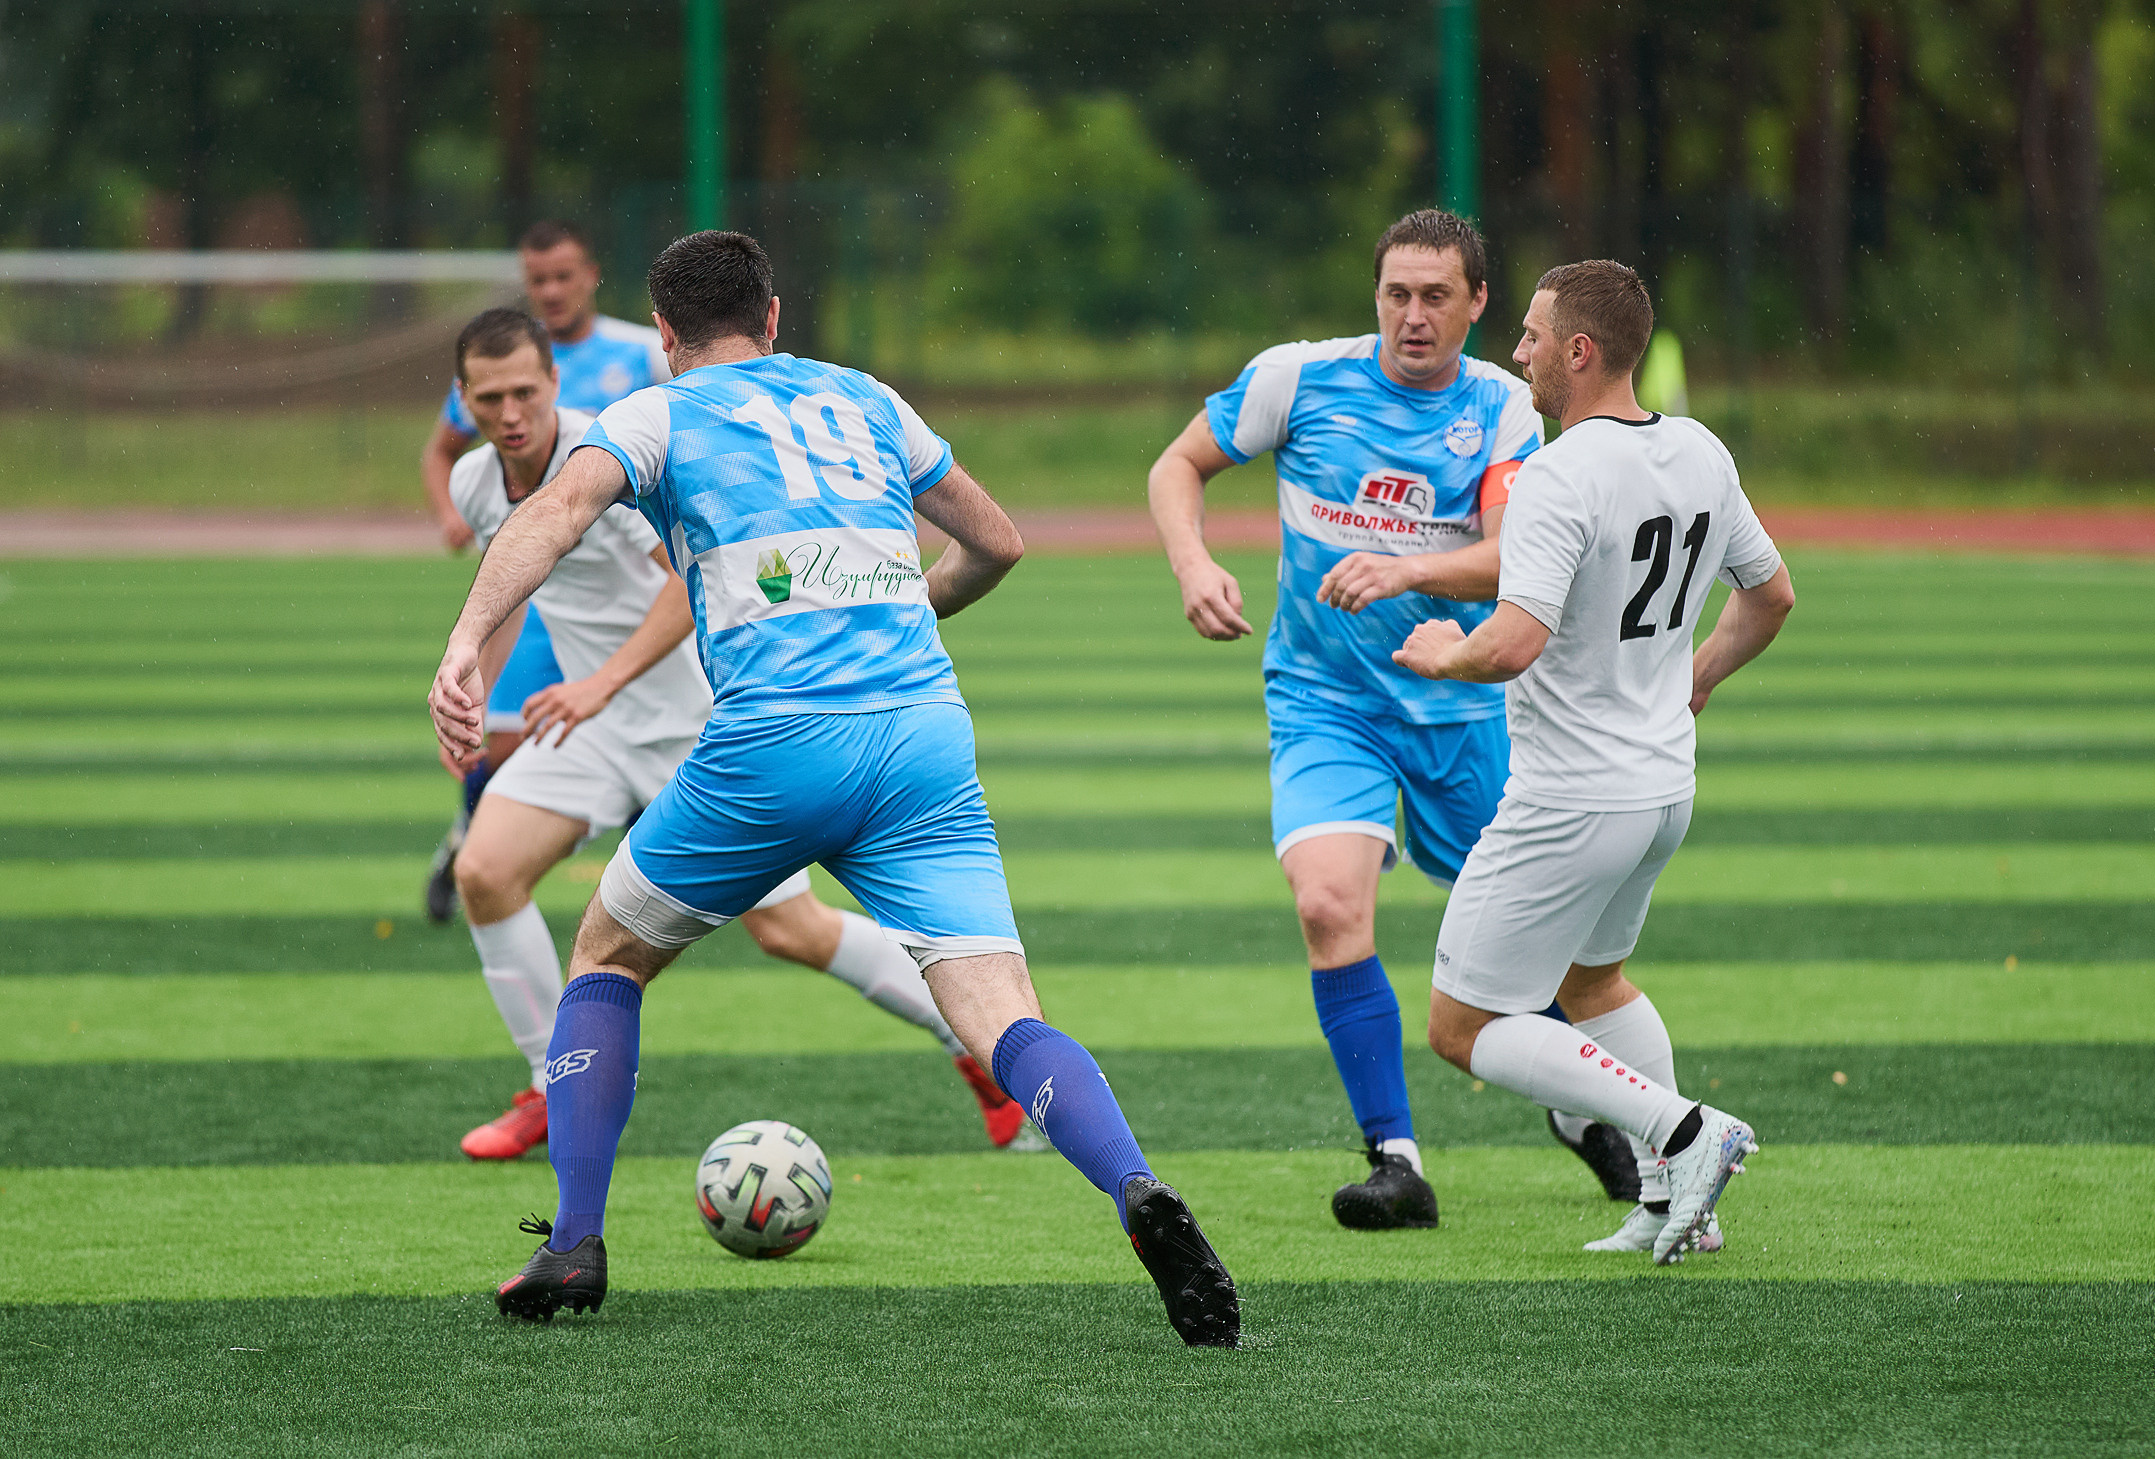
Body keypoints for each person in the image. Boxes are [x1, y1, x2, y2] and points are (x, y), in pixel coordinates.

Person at [430, 231, 1238, 1346]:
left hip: (772, 746)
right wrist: (908, 610)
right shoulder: (865, 397)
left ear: (663, 338)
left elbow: (559, 512)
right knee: (1003, 1012)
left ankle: (573, 1243)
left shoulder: (657, 413)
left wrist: (469, 640)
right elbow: (997, 542)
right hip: (923, 739)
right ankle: (1137, 1188)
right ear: (772, 319)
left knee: (607, 956)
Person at [440, 306, 1045, 1163]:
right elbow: (513, 588)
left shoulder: (612, 452)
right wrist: (479, 692)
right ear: (462, 401)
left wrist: (602, 682)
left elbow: (683, 591)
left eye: (526, 392)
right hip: (590, 729)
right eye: (490, 396)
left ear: (553, 386)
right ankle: (548, 1082)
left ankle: (975, 1044)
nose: (511, 413)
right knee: (485, 873)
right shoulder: (475, 481)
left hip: (699, 724)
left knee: (791, 931)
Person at [1150, 208, 1630, 1232]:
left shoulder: (1505, 408)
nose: (1413, 317)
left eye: (1436, 297)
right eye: (1396, 294)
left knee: (1529, 949)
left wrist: (1408, 567)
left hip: (1460, 703)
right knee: (1327, 905)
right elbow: (1175, 465)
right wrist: (1193, 562)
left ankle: (1574, 1108)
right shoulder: (1298, 378)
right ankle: (1394, 1160)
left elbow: (1511, 556)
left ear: (1479, 304)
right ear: (1374, 294)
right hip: (1325, 702)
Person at [1393, 260, 1793, 1265]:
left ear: (1579, 351)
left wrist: (1445, 653)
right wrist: (1691, 680)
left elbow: (1514, 641)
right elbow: (1771, 595)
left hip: (1572, 795)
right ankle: (1669, 1204)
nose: (1516, 353)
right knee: (1595, 979)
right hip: (1662, 785)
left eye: (1530, 336)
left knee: (1459, 1027)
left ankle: (1685, 1132)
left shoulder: (1557, 474)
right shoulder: (1698, 451)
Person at [420, 222, 668, 924]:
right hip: (552, 603)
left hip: (667, 669)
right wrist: (449, 516)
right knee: (498, 752)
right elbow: (444, 455)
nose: (552, 290)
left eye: (564, 276)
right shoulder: (488, 410)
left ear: (591, 274)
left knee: (783, 921)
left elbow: (684, 570)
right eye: (539, 280)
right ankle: (469, 841)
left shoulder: (641, 358)